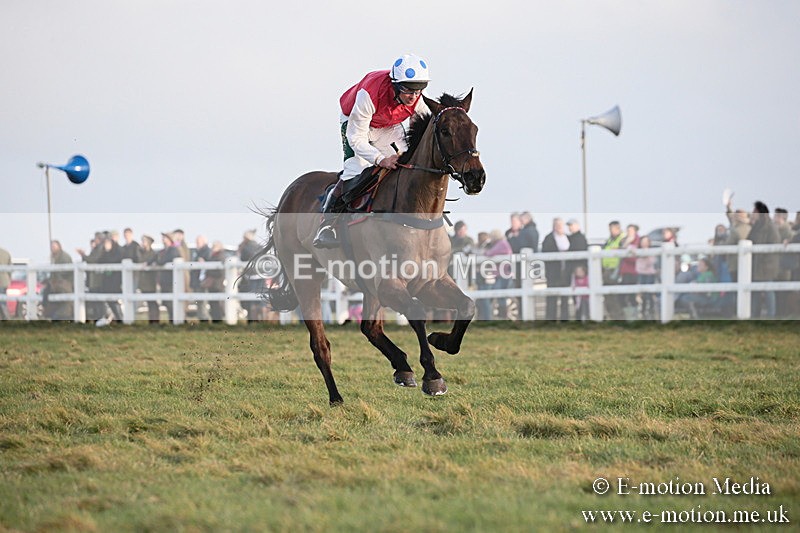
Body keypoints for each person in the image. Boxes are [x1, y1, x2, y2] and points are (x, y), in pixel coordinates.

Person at [314, 53, 431, 248]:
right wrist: (380, 159)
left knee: (406, 166)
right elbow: (356, 138)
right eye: (408, 90)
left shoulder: (416, 98)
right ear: (395, 85)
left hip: (387, 126)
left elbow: (423, 131)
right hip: (356, 124)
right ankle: (327, 224)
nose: (413, 96)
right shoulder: (369, 93)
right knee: (354, 171)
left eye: (418, 90)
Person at [748, 201, 780, 318]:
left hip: (767, 265)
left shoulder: (770, 227)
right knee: (756, 291)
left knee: (768, 291)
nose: (752, 214)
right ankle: (755, 314)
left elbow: (774, 244)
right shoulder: (757, 226)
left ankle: (771, 315)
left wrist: (765, 260)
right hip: (757, 264)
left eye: (754, 212)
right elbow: (749, 240)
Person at [476, 230, 513, 320]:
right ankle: (502, 317)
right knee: (500, 296)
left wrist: (484, 252)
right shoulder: (503, 243)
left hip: (502, 274)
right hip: (502, 274)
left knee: (499, 295)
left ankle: (501, 316)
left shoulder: (501, 244)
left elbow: (489, 253)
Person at [541, 218, 571, 321]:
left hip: (565, 272)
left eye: (561, 225)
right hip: (553, 273)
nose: (559, 227)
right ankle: (550, 320)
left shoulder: (568, 238)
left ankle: (564, 319)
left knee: (565, 298)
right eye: (557, 225)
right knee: (551, 298)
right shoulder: (548, 239)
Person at [156, 232, 182, 323]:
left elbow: (163, 261)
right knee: (167, 302)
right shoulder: (164, 250)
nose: (163, 240)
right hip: (165, 281)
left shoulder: (173, 250)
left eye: (165, 238)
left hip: (171, 281)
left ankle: (175, 320)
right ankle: (172, 320)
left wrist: (158, 261)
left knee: (171, 303)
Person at [602, 221, 625, 319]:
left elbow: (624, 251)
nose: (611, 231)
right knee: (607, 296)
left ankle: (619, 317)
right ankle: (612, 317)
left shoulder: (622, 239)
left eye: (613, 229)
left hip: (616, 270)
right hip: (607, 270)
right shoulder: (609, 240)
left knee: (615, 297)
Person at [619, 224, 640, 320]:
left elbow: (634, 258)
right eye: (628, 230)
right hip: (625, 271)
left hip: (634, 272)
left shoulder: (638, 241)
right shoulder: (624, 240)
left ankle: (634, 316)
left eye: (631, 230)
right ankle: (627, 316)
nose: (629, 232)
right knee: (622, 295)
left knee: (632, 295)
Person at [138, 235, 160, 323]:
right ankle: (152, 319)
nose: (142, 243)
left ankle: (154, 320)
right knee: (149, 301)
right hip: (143, 282)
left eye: (144, 241)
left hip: (150, 281)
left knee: (152, 302)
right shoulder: (141, 253)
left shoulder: (153, 254)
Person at [636, 236, 657, 320]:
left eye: (646, 242)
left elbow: (652, 262)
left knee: (649, 294)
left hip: (649, 274)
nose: (644, 243)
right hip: (641, 274)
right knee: (642, 294)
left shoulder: (651, 252)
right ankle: (643, 311)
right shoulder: (638, 252)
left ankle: (651, 311)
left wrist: (646, 255)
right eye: (642, 242)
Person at [191, 235, 212, 322]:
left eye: (198, 242)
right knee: (199, 302)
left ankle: (204, 319)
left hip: (203, 281)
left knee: (202, 302)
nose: (197, 244)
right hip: (197, 280)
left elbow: (208, 263)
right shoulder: (197, 252)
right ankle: (201, 319)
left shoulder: (207, 251)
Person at [0, 246, 12, 320]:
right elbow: (10, 269)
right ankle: (6, 318)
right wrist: (9, 278)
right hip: (4, 281)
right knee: (3, 301)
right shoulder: (6, 253)